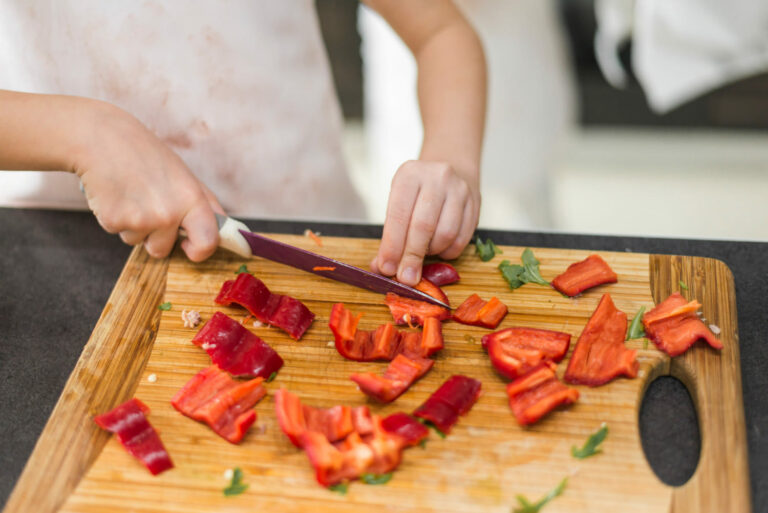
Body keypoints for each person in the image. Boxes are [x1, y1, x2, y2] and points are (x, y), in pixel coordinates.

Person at [0, 0, 486, 287]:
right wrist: (85, 135)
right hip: (66, 255)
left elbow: (441, 32)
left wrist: (453, 158)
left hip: (315, 232)